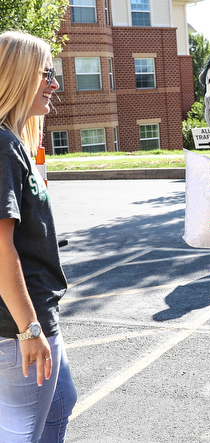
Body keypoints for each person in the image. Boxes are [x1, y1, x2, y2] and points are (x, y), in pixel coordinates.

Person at [0, 31, 77, 442]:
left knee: (61, 403)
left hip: (34, 318)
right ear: (18, 74)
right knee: (22, 433)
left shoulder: (13, 142)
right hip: (18, 327)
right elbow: (0, 248)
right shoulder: (1, 144)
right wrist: (29, 330)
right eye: (46, 73)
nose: (54, 84)